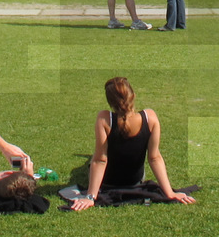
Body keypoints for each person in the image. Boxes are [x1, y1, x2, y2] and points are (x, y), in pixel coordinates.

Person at [69, 77, 197, 211]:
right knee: (93, 159)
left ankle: (88, 160)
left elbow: (100, 160)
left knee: (92, 161)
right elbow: (154, 158)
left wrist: (90, 196)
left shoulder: (104, 118)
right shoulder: (150, 118)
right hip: (135, 181)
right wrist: (170, 192)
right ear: (133, 96)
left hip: (107, 182)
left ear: (110, 103)